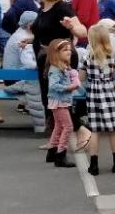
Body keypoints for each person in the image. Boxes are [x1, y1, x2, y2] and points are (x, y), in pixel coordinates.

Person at [31, 0, 89, 151]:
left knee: (59, 98)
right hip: (45, 56)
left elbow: (82, 31)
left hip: (59, 58)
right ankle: (55, 138)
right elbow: (43, 31)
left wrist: (71, 27)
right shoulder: (43, 8)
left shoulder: (62, 8)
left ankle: (81, 130)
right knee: (50, 99)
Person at [81, 22, 115, 176]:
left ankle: (94, 165)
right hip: (108, 91)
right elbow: (112, 75)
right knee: (113, 130)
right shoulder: (111, 55)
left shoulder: (87, 56)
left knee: (95, 130)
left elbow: (82, 77)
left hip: (93, 93)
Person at [45, 39, 78, 168]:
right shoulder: (56, 69)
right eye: (65, 50)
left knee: (59, 126)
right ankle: (61, 155)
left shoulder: (63, 67)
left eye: (69, 49)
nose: (69, 52)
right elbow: (53, 86)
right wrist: (68, 88)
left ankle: (52, 151)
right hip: (59, 101)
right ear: (56, 53)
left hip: (60, 101)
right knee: (68, 127)